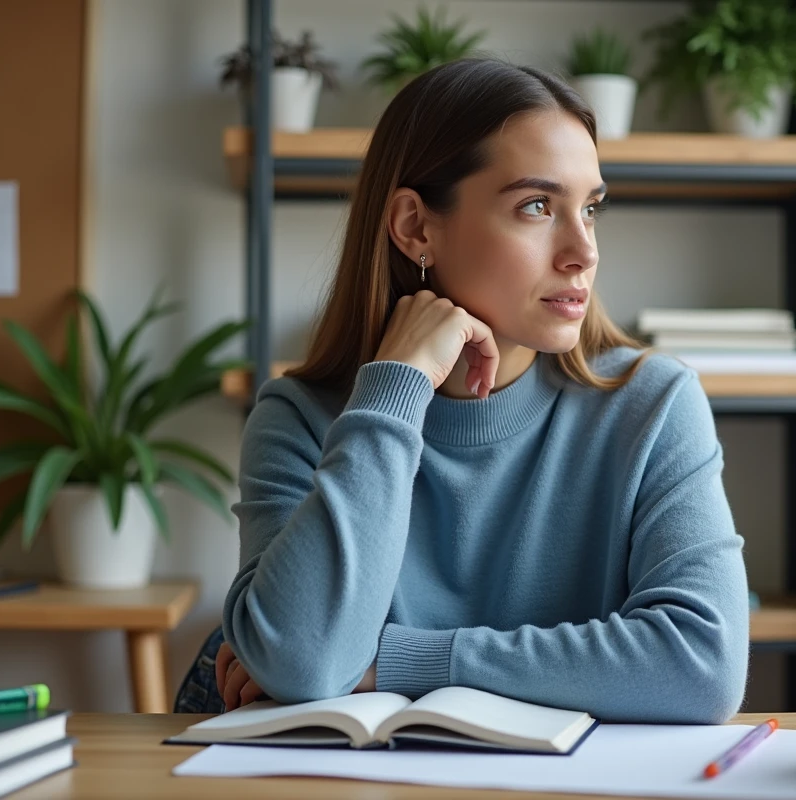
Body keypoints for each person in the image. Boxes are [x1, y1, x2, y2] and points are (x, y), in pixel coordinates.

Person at [175, 58, 750, 723]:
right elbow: (304, 660)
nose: (583, 251)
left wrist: (393, 660)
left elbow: (702, 666)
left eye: (589, 208)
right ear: (416, 227)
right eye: (537, 206)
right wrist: (395, 389)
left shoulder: (652, 404)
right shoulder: (299, 419)